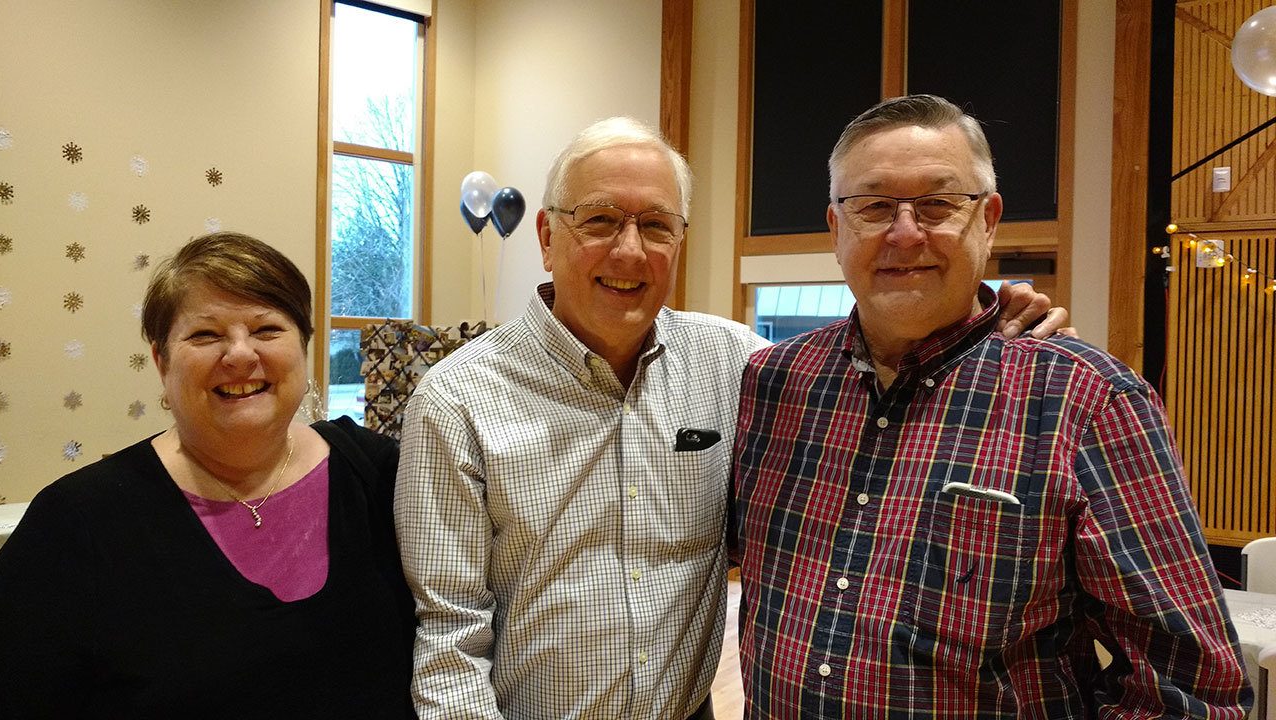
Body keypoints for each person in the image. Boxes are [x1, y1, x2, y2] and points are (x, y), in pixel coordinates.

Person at [394, 116, 1067, 718]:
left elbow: (873, 368)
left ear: (679, 242)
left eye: (656, 225)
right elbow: (450, 637)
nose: (630, 251)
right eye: (599, 220)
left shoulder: (739, 365)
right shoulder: (458, 402)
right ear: (546, 236)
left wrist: (988, 324)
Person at [730, 94, 1252, 717]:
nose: (904, 232)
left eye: (938, 204)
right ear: (836, 227)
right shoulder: (773, 381)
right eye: (872, 206)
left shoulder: (1087, 402)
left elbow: (1191, 688)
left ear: (989, 218)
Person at [0, 232, 416, 718]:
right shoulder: (76, 523)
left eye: (266, 330)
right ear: (161, 361)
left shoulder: (378, 473)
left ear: (303, 347)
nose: (240, 355)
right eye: (205, 335)